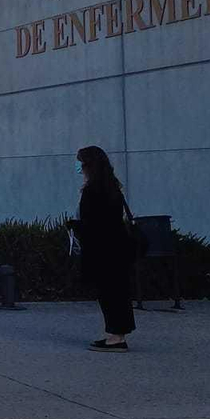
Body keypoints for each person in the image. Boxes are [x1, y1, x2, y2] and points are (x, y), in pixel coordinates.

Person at [76, 145, 137, 351]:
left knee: (109, 293)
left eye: (82, 164)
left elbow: (92, 222)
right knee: (118, 292)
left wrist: (76, 227)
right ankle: (117, 334)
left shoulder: (94, 189)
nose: (80, 168)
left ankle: (116, 336)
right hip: (118, 247)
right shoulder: (112, 186)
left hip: (102, 250)